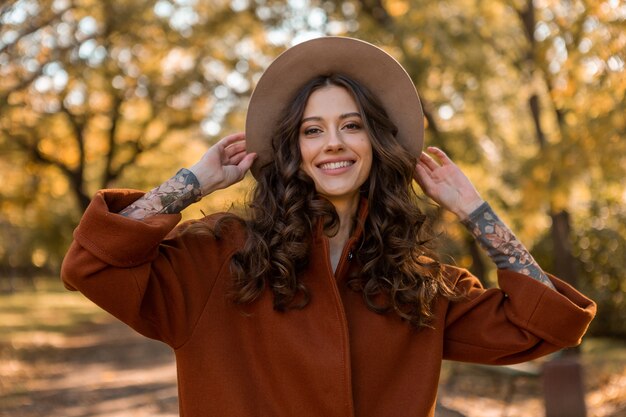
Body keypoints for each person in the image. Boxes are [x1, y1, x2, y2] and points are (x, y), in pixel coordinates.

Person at [61, 37, 596, 417]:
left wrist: (477, 212)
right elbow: (93, 264)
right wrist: (193, 182)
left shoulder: (419, 283)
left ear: (375, 145)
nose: (333, 142)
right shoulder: (220, 256)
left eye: (352, 126)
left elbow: (546, 326)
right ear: (294, 150)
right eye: (313, 129)